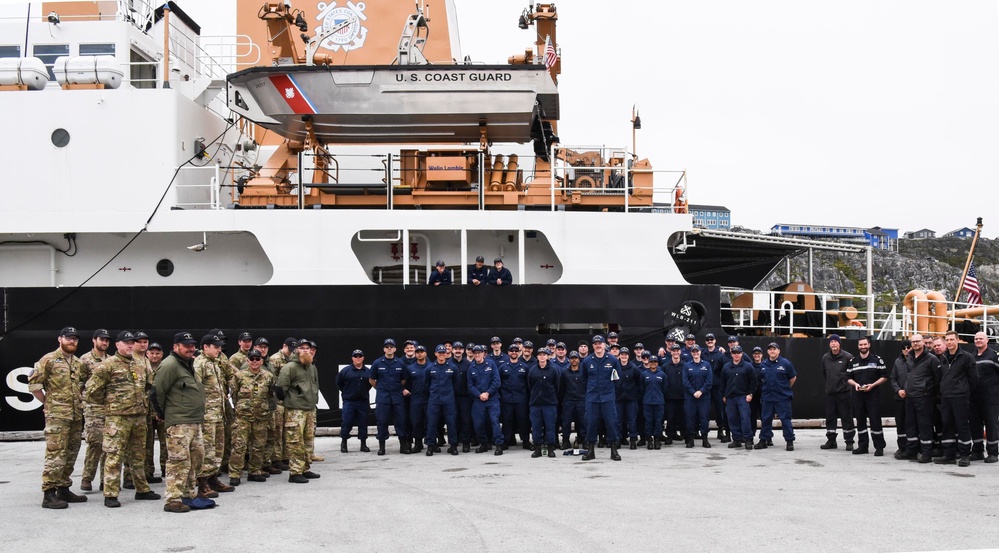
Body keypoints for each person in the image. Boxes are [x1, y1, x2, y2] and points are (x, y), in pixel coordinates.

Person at [84, 331, 160, 508]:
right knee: (114, 456)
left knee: (138, 456)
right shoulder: (107, 365)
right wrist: (110, 406)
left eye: (132, 343)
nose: (130, 346)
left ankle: (142, 489)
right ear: (117, 345)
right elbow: (91, 391)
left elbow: (149, 386)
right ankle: (110, 493)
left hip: (139, 418)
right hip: (117, 419)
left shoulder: (141, 363)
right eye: (126, 343)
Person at [28, 326, 88, 509]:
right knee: (56, 453)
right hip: (57, 416)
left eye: (75, 339)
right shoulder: (49, 360)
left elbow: (82, 386)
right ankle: (49, 493)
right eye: (69, 338)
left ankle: (63, 488)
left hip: (76, 415)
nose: (72, 341)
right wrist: (48, 403)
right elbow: (34, 385)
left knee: (71, 452)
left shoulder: (78, 363)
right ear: (60, 339)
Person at [151, 332, 206, 513]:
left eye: (192, 345)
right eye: (186, 345)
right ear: (176, 347)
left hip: (194, 421)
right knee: (178, 461)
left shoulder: (188, 364)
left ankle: (188, 494)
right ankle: (173, 499)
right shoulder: (170, 365)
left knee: (196, 458)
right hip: (179, 422)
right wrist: (164, 415)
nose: (191, 348)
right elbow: (156, 392)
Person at [193, 334, 235, 496]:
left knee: (218, 450)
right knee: (207, 450)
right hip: (206, 416)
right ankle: (202, 483)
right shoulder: (200, 364)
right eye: (215, 347)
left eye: (219, 347)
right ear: (205, 347)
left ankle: (213, 479)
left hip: (218, 414)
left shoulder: (214, 363)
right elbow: (195, 389)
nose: (219, 350)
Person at [227, 349, 275, 485]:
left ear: (261, 361)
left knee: (259, 446)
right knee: (239, 446)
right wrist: (242, 409)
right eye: (252, 359)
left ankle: (255, 471)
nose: (254, 361)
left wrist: (267, 412)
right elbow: (234, 395)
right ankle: (235, 474)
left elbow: (271, 396)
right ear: (247, 361)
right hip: (243, 418)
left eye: (257, 359)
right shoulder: (239, 376)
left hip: (261, 418)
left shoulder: (268, 376)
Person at [275, 339, 321, 482]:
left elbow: (315, 385)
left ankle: (305, 468)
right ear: (296, 350)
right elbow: (280, 387)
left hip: (310, 409)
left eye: (308, 348)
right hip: (295, 411)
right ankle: (295, 472)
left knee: (308, 441)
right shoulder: (290, 367)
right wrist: (291, 401)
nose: (306, 350)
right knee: (296, 442)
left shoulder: (312, 367)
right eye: (302, 348)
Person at [936, 331, 978, 466]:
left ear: (958, 340)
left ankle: (965, 455)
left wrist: (965, 390)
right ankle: (949, 454)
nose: (949, 342)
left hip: (960, 397)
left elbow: (974, 378)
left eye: (952, 340)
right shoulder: (943, 357)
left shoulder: (967, 357)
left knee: (962, 425)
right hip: (946, 397)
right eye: (947, 340)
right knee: (947, 424)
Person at [897, 334, 941, 463]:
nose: (915, 344)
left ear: (923, 343)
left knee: (924, 425)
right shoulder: (909, 357)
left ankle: (926, 453)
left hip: (924, 397)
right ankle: (912, 451)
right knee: (910, 425)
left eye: (918, 341)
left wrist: (928, 390)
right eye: (913, 342)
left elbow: (937, 378)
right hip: (910, 397)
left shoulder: (931, 359)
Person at [78, 328, 111, 492]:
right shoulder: (84, 360)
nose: (104, 343)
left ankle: (106, 480)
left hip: (109, 408)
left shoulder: (111, 360)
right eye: (101, 339)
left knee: (109, 445)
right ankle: (87, 477)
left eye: (106, 340)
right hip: (92, 408)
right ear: (94, 340)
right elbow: (78, 383)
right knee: (95, 443)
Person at [845, 336, 888, 456]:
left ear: (869, 345)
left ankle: (879, 447)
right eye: (861, 345)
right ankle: (862, 446)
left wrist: (873, 385)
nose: (863, 347)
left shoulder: (877, 360)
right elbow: (848, 378)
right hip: (858, 395)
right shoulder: (853, 362)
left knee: (875, 421)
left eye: (865, 344)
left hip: (873, 395)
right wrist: (855, 385)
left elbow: (884, 376)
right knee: (860, 421)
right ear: (858, 346)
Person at [581, 335, 622, 461]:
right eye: (595, 343)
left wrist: (609, 391)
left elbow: (617, 379)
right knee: (591, 423)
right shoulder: (587, 361)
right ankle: (591, 450)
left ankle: (614, 450)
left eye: (600, 343)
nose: (598, 346)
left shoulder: (613, 360)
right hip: (592, 398)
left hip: (607, 397)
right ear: (592, 346)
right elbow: (583, 379)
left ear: (605, 345)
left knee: (611, 422)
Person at [369, 338, 410, 455]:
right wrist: (381, 388)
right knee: (382, 421)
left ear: (395, 349)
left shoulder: (400, 363)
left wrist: (396, 389)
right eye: (387, 347)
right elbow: (371, 379)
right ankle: (382, 447)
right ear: (384, 349)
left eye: (391, 347)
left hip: (397, 397)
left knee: (401, 421)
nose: (389, 349)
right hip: (383, 397)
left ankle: (402, 446)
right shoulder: (377, 363)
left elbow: (403, 379)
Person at [756, 342, 798, 451]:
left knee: (785, 419)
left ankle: (789, 441)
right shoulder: (763, 364)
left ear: (778, 351)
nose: (772, 351)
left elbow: (792, 378)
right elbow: (761, 379)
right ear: (767, 351)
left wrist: (785, 388)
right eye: (770, 349)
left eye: (774, 349)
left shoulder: (786, 363)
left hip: (782, 397)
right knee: (765, 419)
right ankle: (763, 440)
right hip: (767, 397)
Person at [820, 334, 855, 450]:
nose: (833, 344)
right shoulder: (825, 357)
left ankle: (849, 441)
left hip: (844, 393)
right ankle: (831, 441)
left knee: (847, 418)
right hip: (830, 393)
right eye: (831, 342)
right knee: (830, 418)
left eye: (836, 341)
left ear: (839, 343)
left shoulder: (848, 357)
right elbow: (825, 374)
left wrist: (844, 385)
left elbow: (852, 374)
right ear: (829, 344)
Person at [468, 345, 504, 455]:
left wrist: (488, 393)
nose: (477, 355)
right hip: (478, 400)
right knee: (478, 424)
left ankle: (498, 444)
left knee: (494, 421)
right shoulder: (471, 368)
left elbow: (496, 381)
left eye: (479, 352)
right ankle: (483, 444)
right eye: (475, 353)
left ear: (484, 353)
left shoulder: (491, 364)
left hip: (492, 399)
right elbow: (470, 385)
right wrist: (480, 395)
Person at [720, 345, 757, 450]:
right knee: (732, 419)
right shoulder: (726, 367)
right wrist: (723, 395)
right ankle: (736, 440)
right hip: (730, 397)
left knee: (745, 418)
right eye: (734, 353)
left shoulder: (748, 366)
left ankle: (748, 439)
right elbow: (723, 383)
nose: (736, 355)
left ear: (742, 354)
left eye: (738, 353)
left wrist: (750, 394)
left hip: (743, 397)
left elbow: (753, 381)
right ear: (731, 354)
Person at [969, 332, 999, 462]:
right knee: (975, 425)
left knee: (991, 424)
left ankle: (993, 453)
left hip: (990, 397)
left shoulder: (994, 356)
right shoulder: (971, 357)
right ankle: (977, 451)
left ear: (987, 340)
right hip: (974, 397)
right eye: (976, 339)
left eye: (981, 338)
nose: (978, 341)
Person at [425, 345, 459, 456]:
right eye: (439, 353)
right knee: (431, 423)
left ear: (446, 354)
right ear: (435, 354)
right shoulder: (430, 368)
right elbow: (426, 384)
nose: (441, 355)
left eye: (443, 353)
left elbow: (456, 384)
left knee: (451, 423)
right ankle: (430, 446)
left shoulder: (453, 367)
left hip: (448, 400)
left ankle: (453, 446)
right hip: (434, 400)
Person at [337, 349, 372, 453]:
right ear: (352, 358)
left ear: (363, 358)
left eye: (360, 356)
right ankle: (344, 443)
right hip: (349, 401)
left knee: (363, 423)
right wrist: (348, 393)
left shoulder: (367, 371)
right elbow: (339, 383)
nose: (358, 358)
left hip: (363, 402)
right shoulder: (345, 371)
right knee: (347, 422)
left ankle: (363, 444)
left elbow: (370, 384)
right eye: (355, 356)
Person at [527, 348, 559, 458]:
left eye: (544, 354)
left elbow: (557, 386)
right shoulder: (532, 370)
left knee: (550, 427)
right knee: (536, 427)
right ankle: (537, 448)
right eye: (540, 354)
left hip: (549, 404)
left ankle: (550, 448)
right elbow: (530, 386)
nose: (542, 356)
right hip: (535, 404)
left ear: (548, 356)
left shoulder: (553, 370)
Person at [499, 344, 531, 450]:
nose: (514, 352)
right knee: (507, 421)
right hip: (507, 399)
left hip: (521, 399)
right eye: (511, 351)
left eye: (516, 351)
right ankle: (506, 440)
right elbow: (499, 383)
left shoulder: (524, 367)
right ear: (508, 353)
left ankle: (525, 441)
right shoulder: (503, 367)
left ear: (519, 352)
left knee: (523, 420)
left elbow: (528, 385)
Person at [145, 342, 168, 482]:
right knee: (147, 444)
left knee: (165, 442)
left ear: (162, 354)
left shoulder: (166, 367)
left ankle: (166, 468)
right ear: (147, 354)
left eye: (157, 353)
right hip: (147, 410)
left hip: (162, 410)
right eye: (152, 353)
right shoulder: (143, 366)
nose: (154, 355)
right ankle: (148, 471)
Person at [683, 345, 714, 448]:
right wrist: (693, 392)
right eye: (693, 351)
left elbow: (709, 381)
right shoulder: (687, 365)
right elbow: (685, 381)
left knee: (704, 418)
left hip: (704, 397)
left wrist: (701, 391)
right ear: (691, 353)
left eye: (697, 351)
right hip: (690, 397)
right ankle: (690, 440)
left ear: (700, 352)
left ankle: (705, 439)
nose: (695, 353)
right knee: (690, 418)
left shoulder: (707, 365)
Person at [405, 345, 431, 453]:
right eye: (418, 352)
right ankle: (418, 443)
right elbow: (406, 383)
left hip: (429, 398)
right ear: (415, 354)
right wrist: (405, 390)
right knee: (416, 422)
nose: (420, 354)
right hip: (415, 398)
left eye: (422, 351)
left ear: (425, 353)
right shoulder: (410, 368)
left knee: (430, 422)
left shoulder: (431, 366)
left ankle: (431, 443)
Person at [615, 346, 641, 449]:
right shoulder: (615, 368)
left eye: (626, 354)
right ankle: (618, 439)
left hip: (631, 398)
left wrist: (636, 394)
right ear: (619, 356)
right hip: (618, 398)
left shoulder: (634, 368)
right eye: (622, 354)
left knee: (632, 419)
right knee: (618, 420)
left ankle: (633, 439)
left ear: (628, 356)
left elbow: (639, 382)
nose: (624, 356)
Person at [451, 342, 475, 452]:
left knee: (466, 420)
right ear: (452, 350)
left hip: (466, 398)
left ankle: (466, 443)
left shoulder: (469, 364)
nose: (458, 351)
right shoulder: (448, 364)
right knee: (453, 420)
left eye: (460, 349)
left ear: (463, 351)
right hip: (452, 398)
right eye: (455, 349)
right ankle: (454, 443)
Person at [560, 351, 586, 448]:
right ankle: (566, 441)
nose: (574, 360)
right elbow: (562, 388)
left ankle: (584, 440)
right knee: (566, 422)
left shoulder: (583, 372)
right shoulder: (564, 372)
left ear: (579, 359)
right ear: (569, 359)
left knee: (583, 422)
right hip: (568, 400)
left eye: (575, 358)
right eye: (572, 358)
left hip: (581, 400)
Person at [889, 342, 912, 456]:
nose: (906, 349)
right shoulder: (897, 362)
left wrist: (910, 391)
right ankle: (901, 447)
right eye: (904, 348)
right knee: (900, 423)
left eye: (908, 347)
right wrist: (898, 390)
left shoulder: (916, 360)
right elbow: (893, 378)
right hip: (900, 397)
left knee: (912, 423)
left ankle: (912, 447)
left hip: (913, 397)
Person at [641, 356, 667, 450]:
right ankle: (649, 440)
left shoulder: (662, 374)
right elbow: (642, 388)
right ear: (649, 362)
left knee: (658, 421)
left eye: (655, 362)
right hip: (647, 402)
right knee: (648, 421)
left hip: (659, 402)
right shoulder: (644, 374)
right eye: (651, 362)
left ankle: (657, 439)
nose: (653, 363)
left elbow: (664, 388)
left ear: (657, 363)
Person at [663, 345, 687, 446]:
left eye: (677, 351)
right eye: (674, 351)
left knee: (684, 418)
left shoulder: (686, 366)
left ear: (680, 352)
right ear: (671, 352)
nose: (676, 352)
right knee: (671, 418)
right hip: (670, 397)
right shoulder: (665, 366)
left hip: (683, 396)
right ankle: (669, 436)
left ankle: (686, 437)